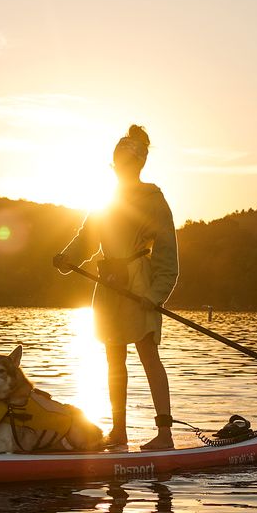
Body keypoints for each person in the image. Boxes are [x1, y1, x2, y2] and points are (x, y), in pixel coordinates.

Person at [53, 124, 179, 450]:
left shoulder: (153, 199)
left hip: (139, 284)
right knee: (113, 359)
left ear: (137, 165)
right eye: (118, 164)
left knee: (148, 355)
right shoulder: (104, 199)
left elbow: (168, 258)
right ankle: (119, 431)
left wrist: (154, 296)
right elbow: (87, 238)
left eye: (127, 163)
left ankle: (164, 434)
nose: (122, 169)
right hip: (109, 283)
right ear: (115, 165)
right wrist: (67, 257)